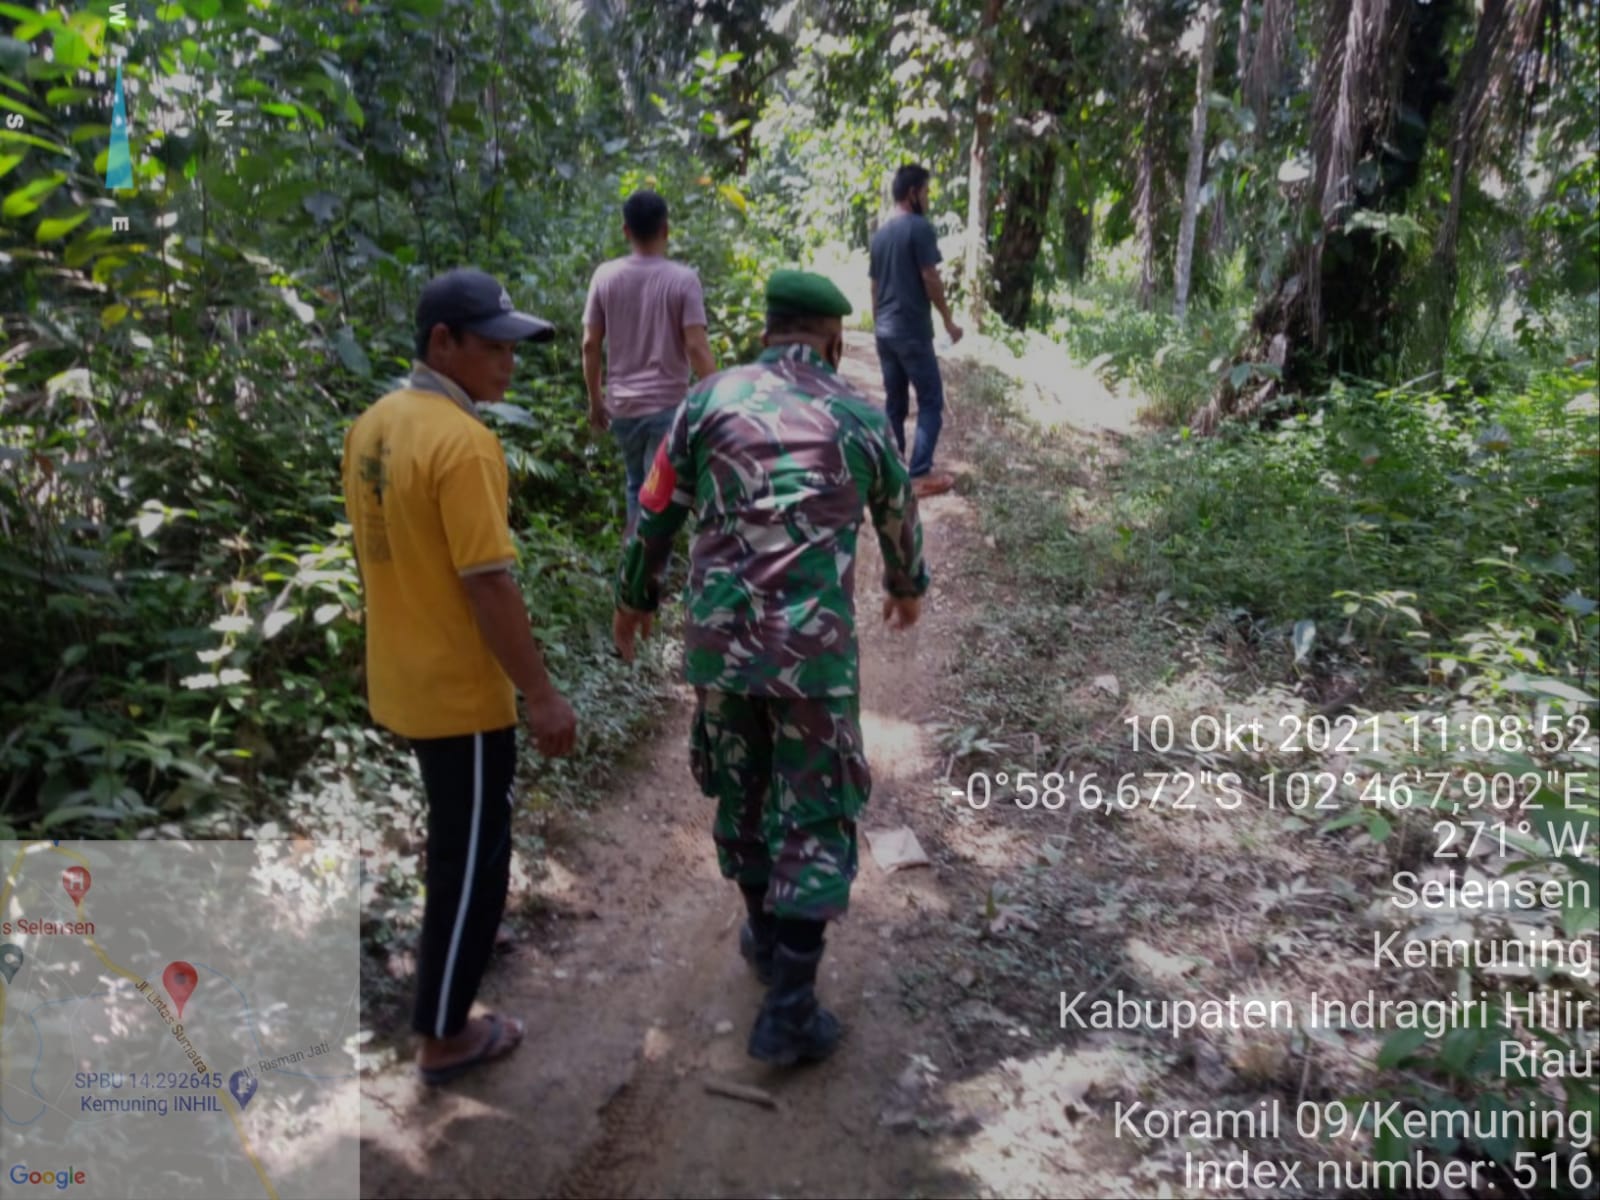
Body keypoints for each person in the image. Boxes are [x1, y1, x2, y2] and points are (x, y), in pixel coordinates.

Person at [612, 269, 929, 1066]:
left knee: (743, 791)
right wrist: (906, 588)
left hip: (720, 649)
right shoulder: (858, 415)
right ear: (830, 337)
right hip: (812, 656)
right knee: (815, 811)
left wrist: (635, 596)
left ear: (765, 329)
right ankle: (789, 1007)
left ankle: (762, 932)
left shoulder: (705, 402)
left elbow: (656, 506)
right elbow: (899, 515)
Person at [342, 267, 578, 1086]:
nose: (508, 363)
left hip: (403, 679)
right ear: (442, 343)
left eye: (513, 347)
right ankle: (443, 1033)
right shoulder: (464, 443)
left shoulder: (373, 425)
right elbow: (487, 581)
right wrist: (541, 694)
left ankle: (455, 961)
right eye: (492, 347)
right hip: (462, 699)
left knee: (457, 839)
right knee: (473, 862)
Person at [583, 189, 718, 535]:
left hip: (622, 408)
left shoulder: (605, 276)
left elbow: (589, 344)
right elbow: (697, 348)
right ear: (666, 230)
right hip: (666, 408)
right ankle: (649, 575)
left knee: (636, 486)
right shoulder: (683, 279)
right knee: (660, 495)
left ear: (625, 231)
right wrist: (720, 397)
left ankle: (636, 572)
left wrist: (595, 399)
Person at [869, 163, 964, 499]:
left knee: (895, 404)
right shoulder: (919, 228)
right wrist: (949, 322)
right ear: (912, 193)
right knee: (930, 401)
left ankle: (892, 472)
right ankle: (919, 473)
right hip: (911, 330)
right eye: (925, 191)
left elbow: (875, 286)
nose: (927, 197)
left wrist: (877, 324)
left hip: (885, 331)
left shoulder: (880, 234)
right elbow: (930, 277)